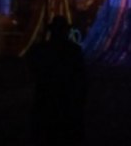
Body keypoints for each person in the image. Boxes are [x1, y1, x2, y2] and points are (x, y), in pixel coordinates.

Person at [29, 16, 87, 145]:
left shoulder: (43, 49)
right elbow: (81, 75)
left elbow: (33, 67)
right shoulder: (73, 50)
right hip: (64, 98)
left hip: (49, 97)